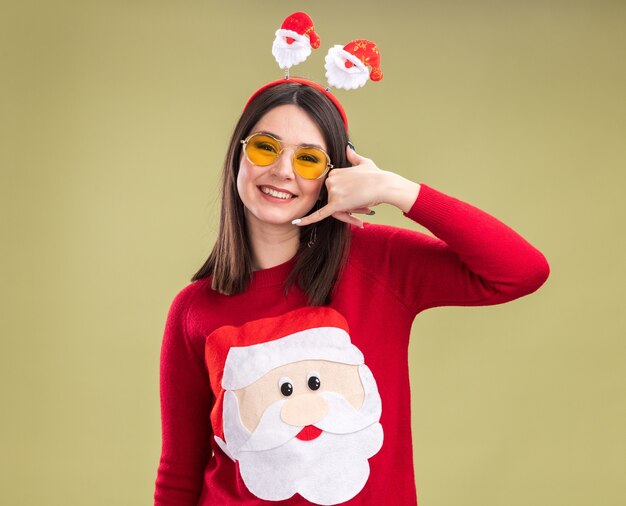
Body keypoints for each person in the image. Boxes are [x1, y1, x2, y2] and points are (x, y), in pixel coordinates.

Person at [154, 80, 550, 506]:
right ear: (239, 156)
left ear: (331, 177)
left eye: (308, 159)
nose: (283, 171)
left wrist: (395, 189)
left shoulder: (379, 264)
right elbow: (180, 471)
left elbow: (521, 271)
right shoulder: (194, 309)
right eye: (266, 148)